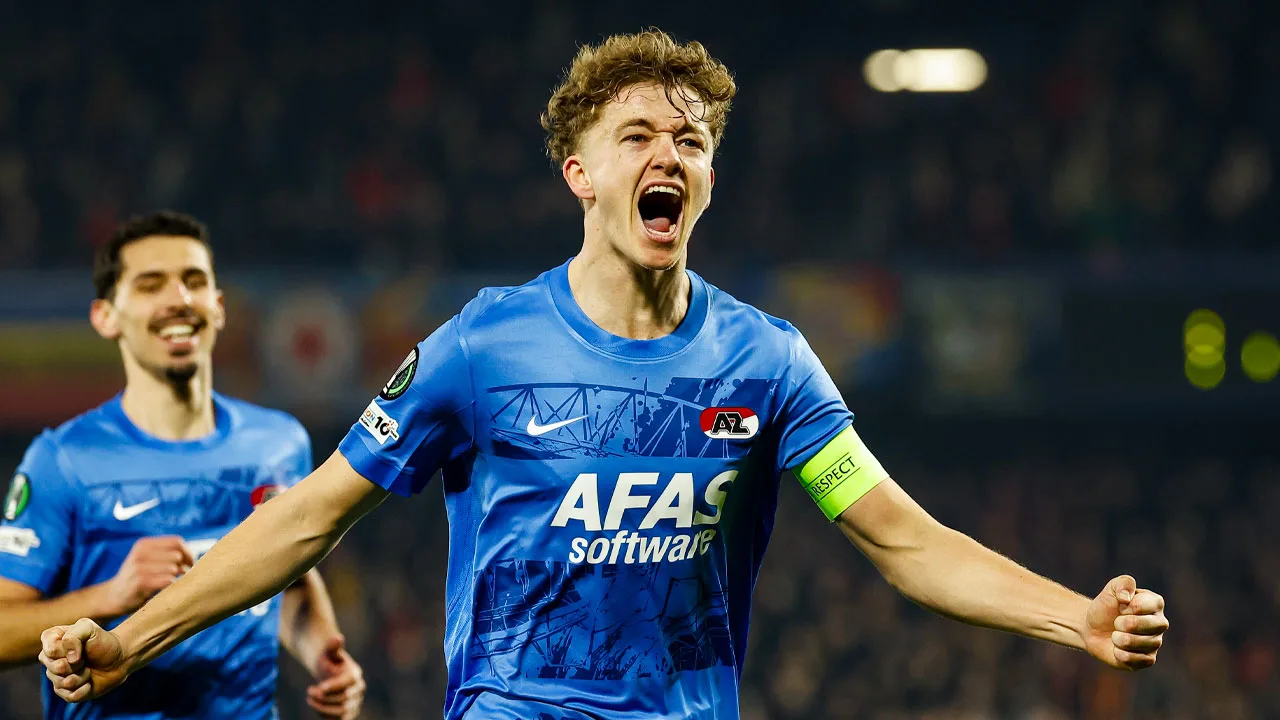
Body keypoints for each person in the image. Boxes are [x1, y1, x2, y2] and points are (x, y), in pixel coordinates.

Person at [38, 32, 1166, 720]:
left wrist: (1077, 619)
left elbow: (903, 541)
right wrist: (130, 640)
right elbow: (309, 517)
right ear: (580, 173)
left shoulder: (766, 362)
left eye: (690, 140)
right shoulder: (482, 348)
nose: (667, 155)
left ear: (710, 178)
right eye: (637, 137)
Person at [0, 211, 365, 719]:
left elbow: (287, 577)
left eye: (194, 281)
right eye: (150, 285)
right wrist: (110, 596)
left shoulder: (279, 442)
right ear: (106, 316)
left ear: (218, 306)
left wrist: (321, 652)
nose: (179, 299)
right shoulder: (62, 460)